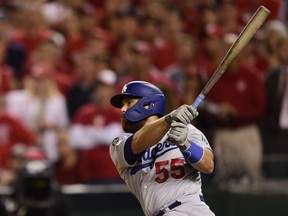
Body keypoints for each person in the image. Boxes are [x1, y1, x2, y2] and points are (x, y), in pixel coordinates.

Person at [109, 81, 215, 216]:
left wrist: (186, 144)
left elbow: (208, 165)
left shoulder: (185, 130)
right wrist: (169, 119)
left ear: (148, 104)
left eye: (129, 103)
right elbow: (138, 141)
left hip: (191, 208)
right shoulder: (119, 143)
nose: (122, 110)